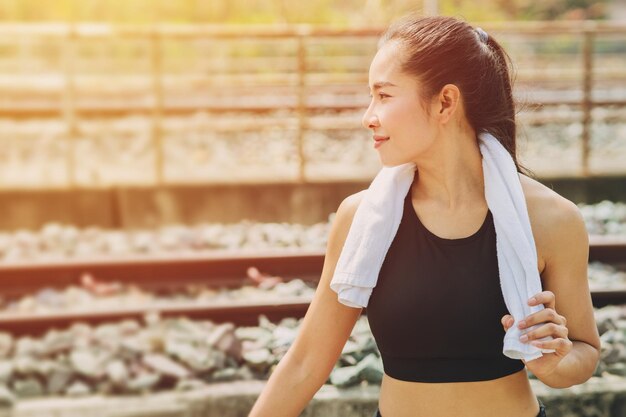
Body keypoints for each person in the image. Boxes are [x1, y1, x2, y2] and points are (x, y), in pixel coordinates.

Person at [248, 14, 601, 417]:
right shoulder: (361, 218)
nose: (368, 116)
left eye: (383, 95)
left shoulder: (553, 219)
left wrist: (555, 364)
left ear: (445, 102)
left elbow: (585, 352)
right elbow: (305, 363)